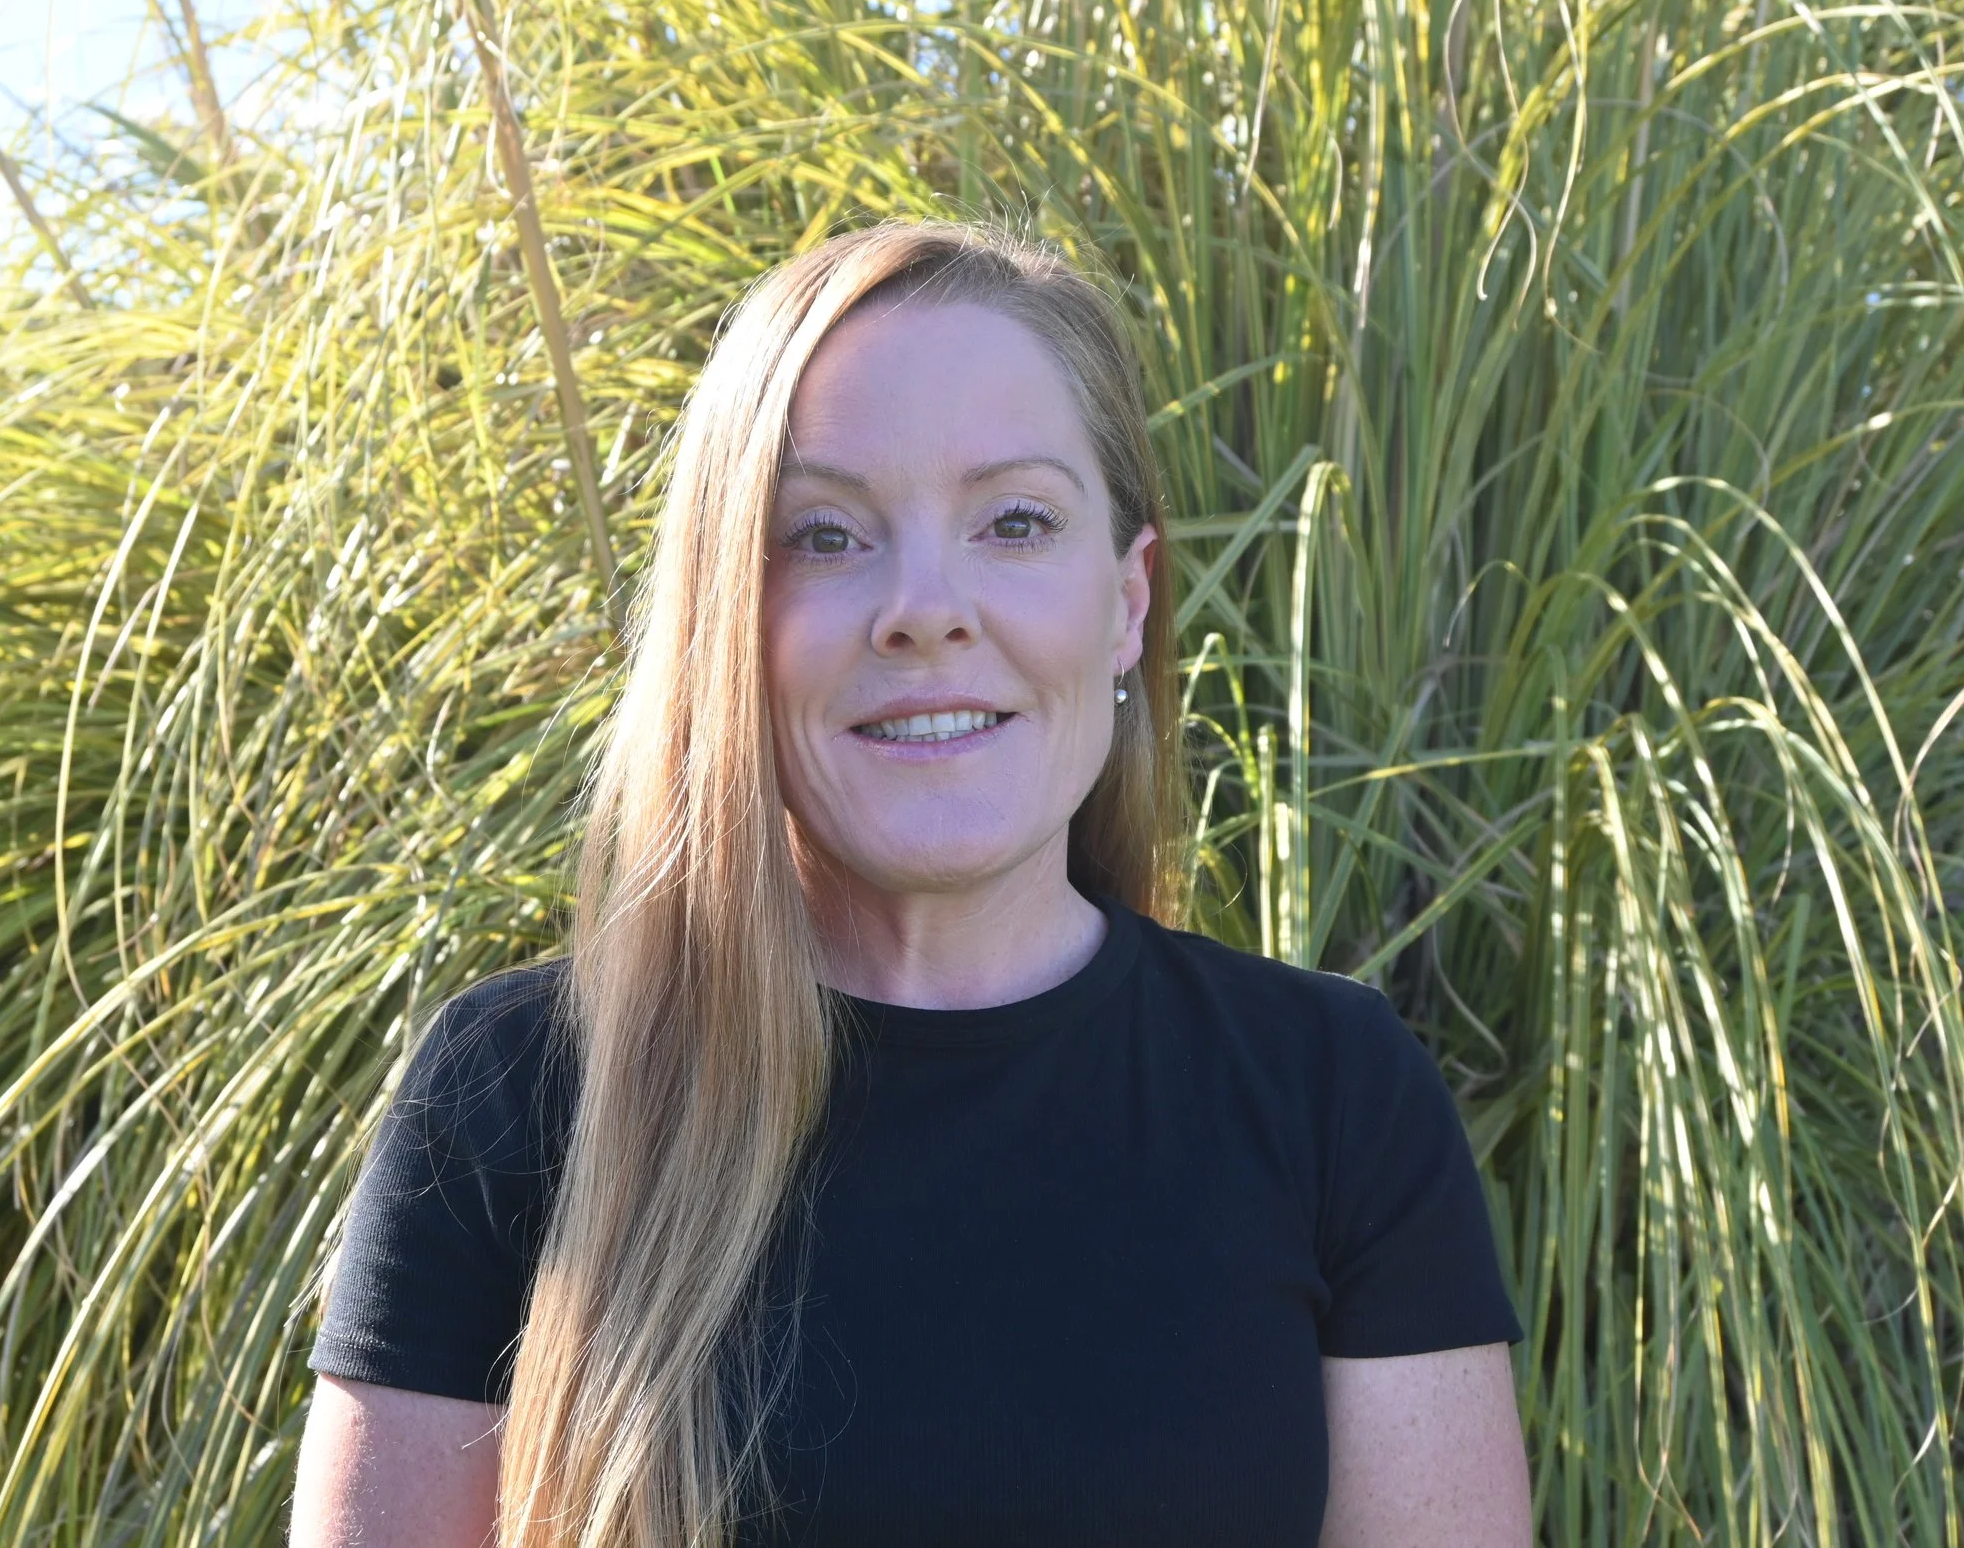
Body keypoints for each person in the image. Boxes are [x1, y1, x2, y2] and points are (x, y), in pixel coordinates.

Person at [290, 220, 1532, 1548]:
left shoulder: (1332, 1094)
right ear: (729, 618)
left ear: (1126, 602)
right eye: (825, 536)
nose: (923, 608)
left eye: (1015, 521)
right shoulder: (521, 1094)